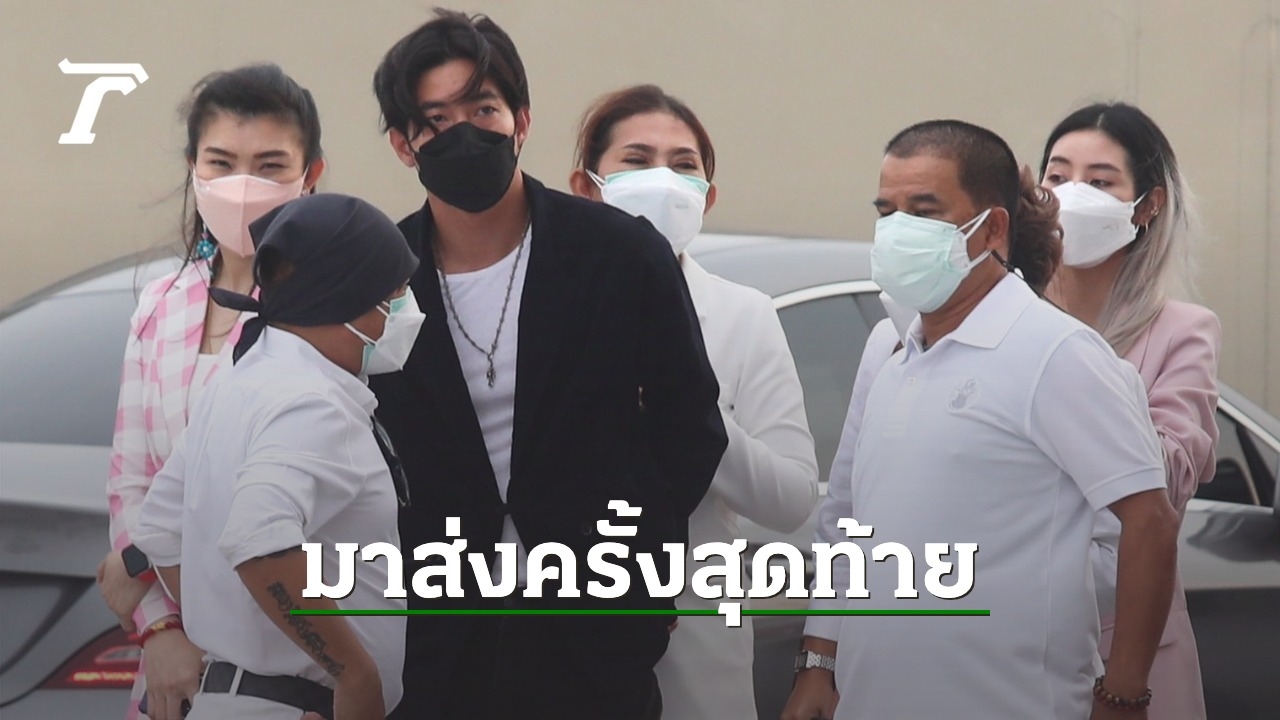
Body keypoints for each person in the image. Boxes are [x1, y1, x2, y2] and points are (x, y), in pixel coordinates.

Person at [367, 11, 728, 720]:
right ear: (404, 145)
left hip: (598, 627)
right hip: (438, 634)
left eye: (483, 110)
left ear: (522, 121)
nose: (464, 133)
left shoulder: (619, 252)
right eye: (436, 120)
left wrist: (641, 555)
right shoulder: (382, 277)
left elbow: (691, 425)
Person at [781, 119, 1180, 720]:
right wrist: (819, 660)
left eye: (925, 211)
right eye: (887, 211)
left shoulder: (1057, 352)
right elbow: (849, 523)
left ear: (992, 228)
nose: (899, 229)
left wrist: (1124, 693)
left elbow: (1149, 520)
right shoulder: (895, 357)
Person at [568, 84, 819, 720]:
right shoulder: (543, 310)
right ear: (586, 187)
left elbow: (791, 499)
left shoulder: (743, 315)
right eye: (637, 160)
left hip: (697, 646)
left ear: (706, 197)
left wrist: (690, 413)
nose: (662, 179)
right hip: (561, 632)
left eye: (683, 165)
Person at [131, 193, 418, 720]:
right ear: (345, 298)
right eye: (394, 294)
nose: (406, 310)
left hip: (231, 700)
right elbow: (259, 542)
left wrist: (241, 633)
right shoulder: (313, 404)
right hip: (297, 704)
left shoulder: (239, 384)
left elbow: (160, 530)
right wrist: (354, 677)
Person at [96, 63, 325, 720]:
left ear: (311, 174)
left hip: (292, 662)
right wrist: (160, 629)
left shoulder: (330, 312)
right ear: (194, 168)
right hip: (176, 676)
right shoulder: (159, 306)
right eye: (221, 163)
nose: (242, 186)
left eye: (270, 166)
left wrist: (136, 561)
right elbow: (132, 482)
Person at [1041, 102, 1220, 720]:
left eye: (1100, 182)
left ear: (1147, 206)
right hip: (1009, 639)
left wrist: (1083, 371)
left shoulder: (1183, 331)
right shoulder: (1007, 315)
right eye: (1057, 176)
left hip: (1128, 650)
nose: (1071, 196)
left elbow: (1172, 476)